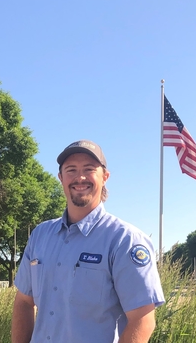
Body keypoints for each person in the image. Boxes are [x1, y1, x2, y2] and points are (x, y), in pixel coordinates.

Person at [12, 140, 165, 343]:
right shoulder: (40, 235)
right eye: (71, 170)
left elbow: (142, 320)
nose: (80, 177)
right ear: (61, 178)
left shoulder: (124, 241)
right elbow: (24, 301)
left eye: (89, 169)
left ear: (105, 177)